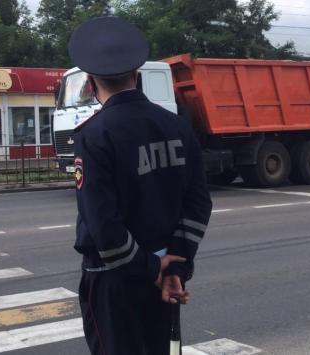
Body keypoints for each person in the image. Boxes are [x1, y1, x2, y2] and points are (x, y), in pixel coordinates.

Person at [69, 17, 213, 355]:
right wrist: (173, 266)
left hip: (114, 281)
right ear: (138, 76)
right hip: (166, 279)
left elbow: (103, 224)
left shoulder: (94, 135)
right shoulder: (177, 126)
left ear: (91, 84)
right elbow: (198, 203)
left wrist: (148, 270)